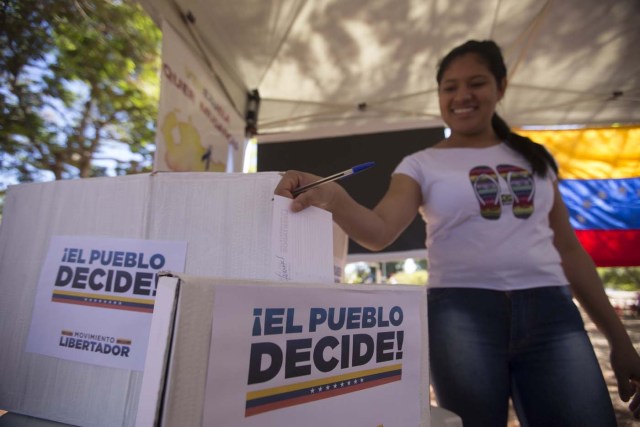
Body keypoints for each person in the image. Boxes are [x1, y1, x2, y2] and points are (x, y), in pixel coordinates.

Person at [274, 40, 640, 426]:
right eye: (450, 87)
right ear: (438, 96)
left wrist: (619, 339)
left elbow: (568, 248)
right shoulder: (420, 164)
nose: (462, 95)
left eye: (476, 83)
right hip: (461, 316)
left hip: (552, 312)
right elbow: (379, 231)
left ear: (501, 87)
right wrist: (335, 197)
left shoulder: (535, 157)